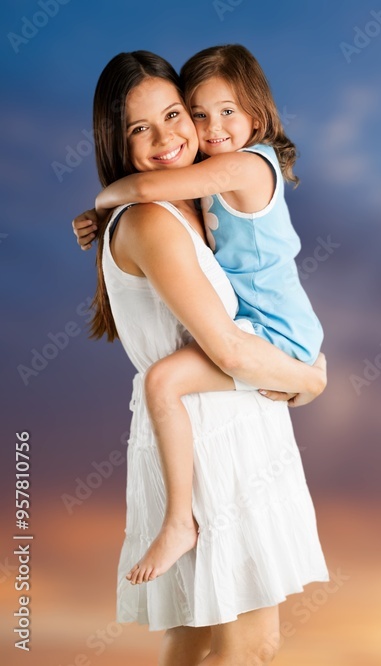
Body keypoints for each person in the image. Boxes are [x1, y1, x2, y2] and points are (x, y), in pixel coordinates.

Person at [72, 50, 328, 665]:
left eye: (173, 114)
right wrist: (310, 381)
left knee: (193, 637)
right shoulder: (155, 220)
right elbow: (229, 347)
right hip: (215, 436)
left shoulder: (195, 204)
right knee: (250, 648)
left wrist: (101, 204)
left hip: (212, 425)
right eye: (139, 128)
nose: (170, 136)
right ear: (117, 140)